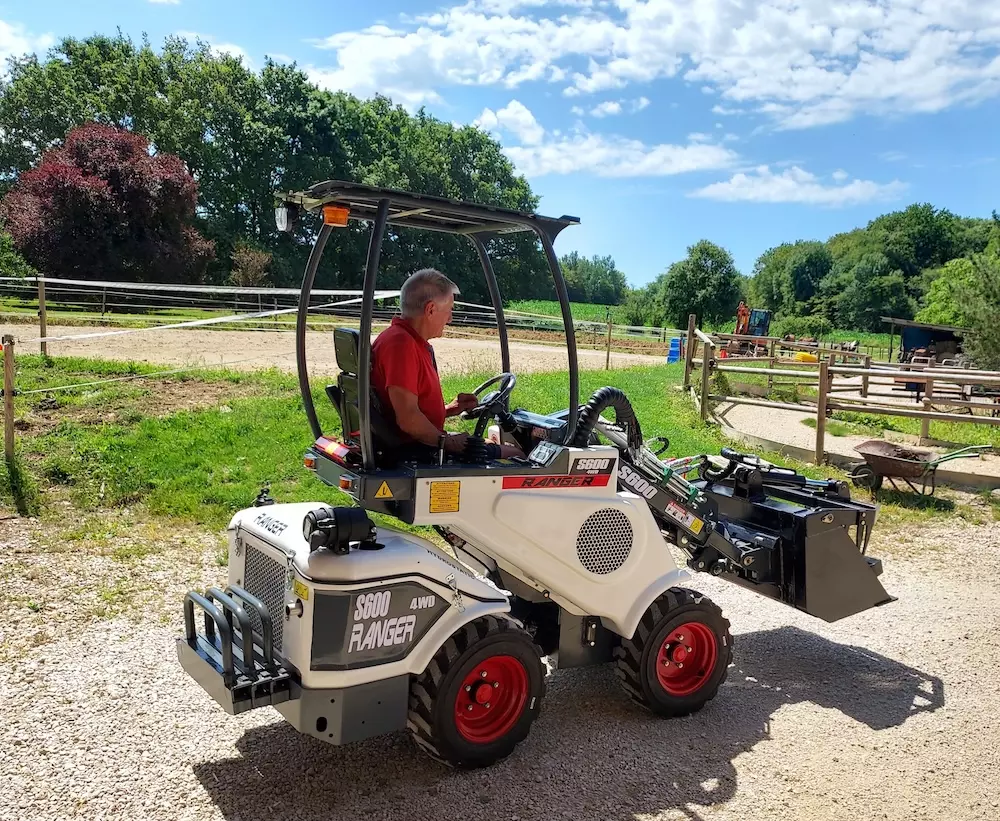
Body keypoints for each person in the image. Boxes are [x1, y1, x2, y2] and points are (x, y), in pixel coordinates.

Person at [371, 268, 522, 459]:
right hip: (415, 449)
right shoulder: (401, 345)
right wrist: (448, 442)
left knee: (492, 444)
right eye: (449, 310)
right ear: (431, 309)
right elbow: (408, 419)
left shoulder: (405, 340)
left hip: (417, 442)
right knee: (517, 454)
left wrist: (449, 410)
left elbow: (404, 408)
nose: (450, 318)